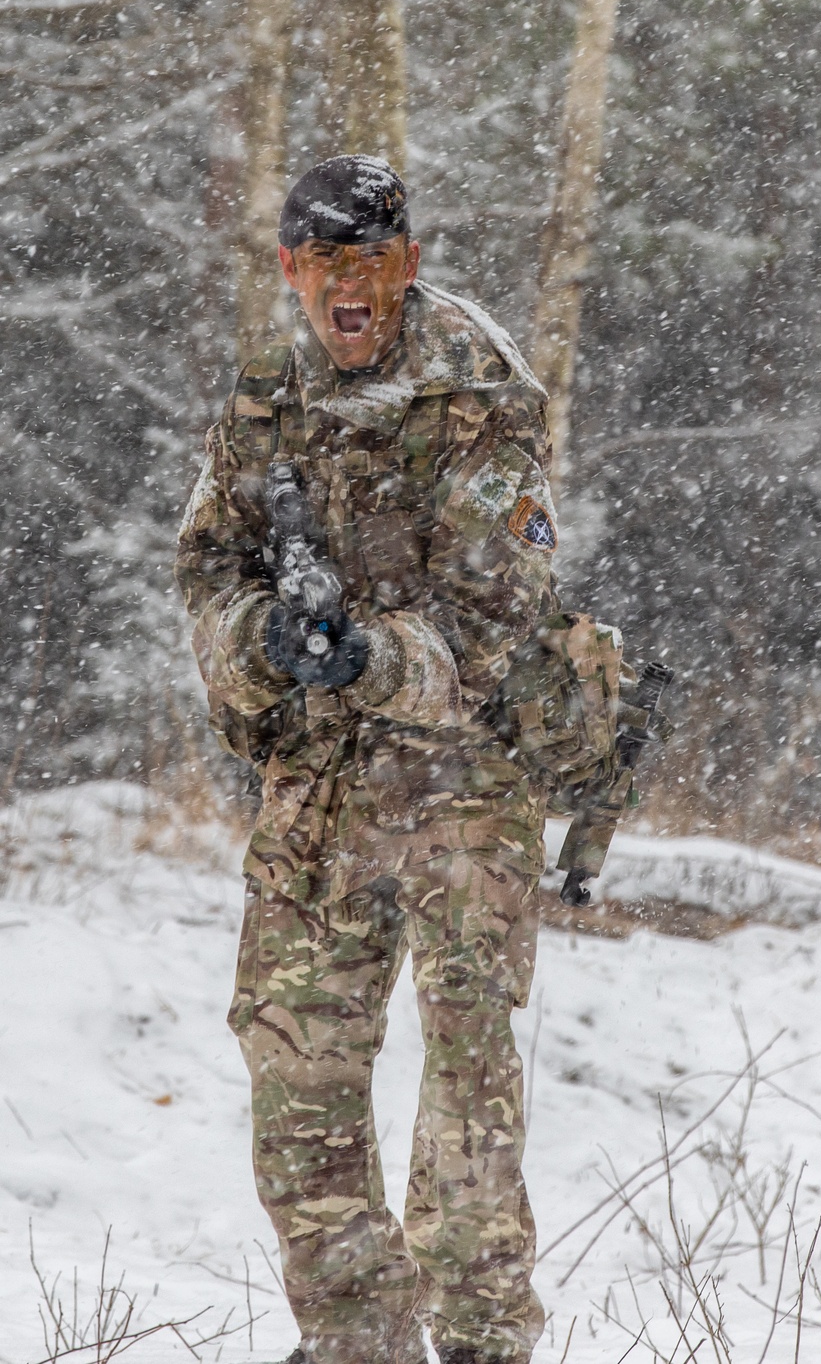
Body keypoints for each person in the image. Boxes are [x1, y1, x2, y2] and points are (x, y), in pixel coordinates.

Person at [174, 154, 565, 1364]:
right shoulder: (265, 394)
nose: (353, 291)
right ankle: (356, 1343)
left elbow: (502, 621)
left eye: (376, 263)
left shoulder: (474, 386)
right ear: (291, 270)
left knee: (466, 1097)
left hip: (464, 782)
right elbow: (207, 567)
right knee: (298, 1076)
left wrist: (370, 658)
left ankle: (483, 1343)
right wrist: (263, 643)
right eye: (326, 265)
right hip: (321, 785)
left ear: (408, 264)